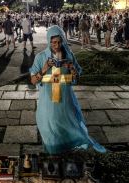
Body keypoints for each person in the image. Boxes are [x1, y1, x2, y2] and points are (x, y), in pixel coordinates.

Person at [29, 25, 106, 154]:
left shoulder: (69, 55)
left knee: (70, 127)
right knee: (49, 128)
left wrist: (71, 68)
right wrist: (44, 68)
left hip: (65, 100)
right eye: (53, 42)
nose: (57, 45)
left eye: (59, 42)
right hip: (48, 102)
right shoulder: (41, 57)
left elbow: (76, 77)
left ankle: (67, 153)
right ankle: (53, 154)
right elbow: (33, 81)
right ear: (49, 41)